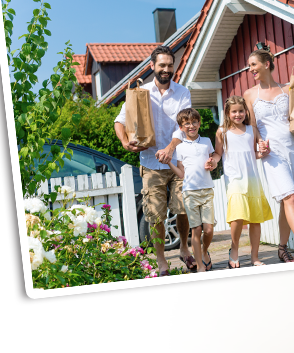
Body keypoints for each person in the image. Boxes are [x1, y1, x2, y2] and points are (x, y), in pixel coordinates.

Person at [113, 45, 193, 275]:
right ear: (152, 67)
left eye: (170, 65)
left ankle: (185, 249)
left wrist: (170, 148)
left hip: (178, 161)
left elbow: (186, 126)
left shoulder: (182, 93)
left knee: (183, 208)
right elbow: (119, 121)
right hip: (150, 164)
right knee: (155, 216)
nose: (166, 69)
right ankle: (161, 260)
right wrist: (124, 141)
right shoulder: (140, 93)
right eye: (162, 65)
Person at [244, 47, 294, 262]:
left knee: (287, 201)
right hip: (272, 154)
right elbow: (252, 127)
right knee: (290, 196)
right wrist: (259, 144)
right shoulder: (250, 95)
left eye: (253, 64)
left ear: (267, 63)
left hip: (293, 148)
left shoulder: (290, 89)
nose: (250, 69)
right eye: (249, 65)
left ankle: (282, 248)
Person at [216, 96, 273, 269]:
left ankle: (255, 257)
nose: (238, 114)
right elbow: (218, 154)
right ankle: (234, 249)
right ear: (227, 113)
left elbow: (255, 152)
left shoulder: (252, 130)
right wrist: (212, 161)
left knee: (255, 219)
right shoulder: (222, 132)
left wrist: (263, 151)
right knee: (238, 215)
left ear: (246, 112)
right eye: (234, 111)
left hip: (252, 178)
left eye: (241, 111)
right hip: (234, 179)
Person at [161, 108, 219, 273]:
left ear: (199, 123)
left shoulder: (206, 141)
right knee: (197, 230)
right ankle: (200, 265)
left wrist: (211, 163)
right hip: (190, 192)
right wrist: (169, 164)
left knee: (208, 229)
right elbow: (181, 173)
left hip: (207, 190)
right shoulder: (180, 148)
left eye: (194, 122)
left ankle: (205, 250)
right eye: (187, 123)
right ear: (181, 127)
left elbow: (212, 160)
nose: (191, 126)